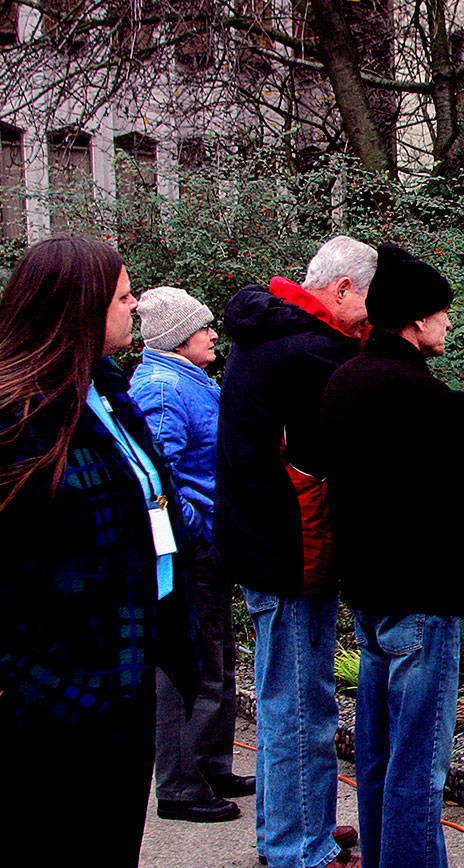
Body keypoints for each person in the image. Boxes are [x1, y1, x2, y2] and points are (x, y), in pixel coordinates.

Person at [0, 237, 196, 864]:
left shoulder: (111, 393)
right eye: (123, 296)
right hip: (56, 696)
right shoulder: (19, 419)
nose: (135, 306)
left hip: (127, 675)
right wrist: (40, 686)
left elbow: (149, 505)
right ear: (80, 309)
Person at [322, 243, 464, 868]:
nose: (450, 322)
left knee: (377, 759)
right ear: (413, 321)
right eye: (442, 312)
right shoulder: (421, 396)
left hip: (369, 594)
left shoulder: (344, 381)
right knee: (418, 766)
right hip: (422, 597)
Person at [215, 236, 375, 868]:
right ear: (341, 291)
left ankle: (291, 825)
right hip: (290, 550)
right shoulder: (309, 353)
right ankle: (297, 848)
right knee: (299, 706)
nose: (374, 319)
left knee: (291, 695)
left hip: (267, 544)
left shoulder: (269, 333)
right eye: (370, 303)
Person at [130, 285, 256, 823]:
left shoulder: (188, 379)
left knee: (219, 656)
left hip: (212, 542)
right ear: (178, 338)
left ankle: (210, 763)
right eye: (203, 327)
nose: (212, 334)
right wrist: (200, 532)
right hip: (194, 548)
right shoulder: (160, 388)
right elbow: (159, 479)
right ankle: (181, 783)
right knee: (194, 663)